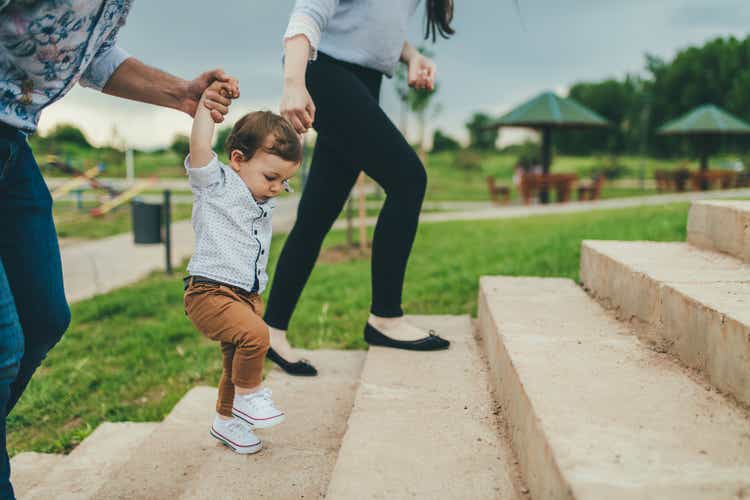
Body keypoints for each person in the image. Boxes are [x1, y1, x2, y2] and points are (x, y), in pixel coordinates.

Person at [0, 3, 234, 496]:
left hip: (11, 144)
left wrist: (181, 94)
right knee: (2, 347)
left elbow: (89, 53)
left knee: (43, 317)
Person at [263, 0, 456, 376]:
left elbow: (369, 26)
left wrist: (411, 55)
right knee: (408, 179)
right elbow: (308, 13)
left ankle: (271, 329)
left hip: (363, 81)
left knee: (318, 213)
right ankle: (385, 317)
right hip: (326, 73)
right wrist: (293, 83)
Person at [183, 80, 301, 454]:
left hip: (246, 295)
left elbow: (278, 148)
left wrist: (292, 130)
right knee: (257, 338)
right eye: (271, 178)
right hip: (209, 291)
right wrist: (206, 106)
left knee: (235, 360)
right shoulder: (216, 184)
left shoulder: (260, 195)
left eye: (284, 182)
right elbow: (200, 147)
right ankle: (250, 396)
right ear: (237, 159)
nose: (276, 188)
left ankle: (227, 421)